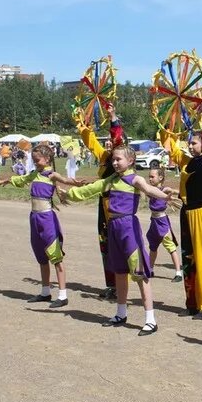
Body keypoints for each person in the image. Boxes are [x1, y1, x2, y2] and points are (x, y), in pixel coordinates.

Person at [64, 144, 172, 336]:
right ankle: (121, 313)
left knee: (140, 273)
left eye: (118, 159)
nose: (114, 162)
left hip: (128, 227)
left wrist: (165, 196)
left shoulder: (135, 178)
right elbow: (90, 189)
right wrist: (68, 193)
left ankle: (150, 319)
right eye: (113, 159)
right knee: (120, 272)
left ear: (130, 161)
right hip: (113, 228)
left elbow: (148, 189)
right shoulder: (111, 180)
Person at [0, 144, 84, 308]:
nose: (35, 163)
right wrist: (8, 180)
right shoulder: (34, 174)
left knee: (55, 256)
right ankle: (45, 292)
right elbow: (22, 179)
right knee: (41, 256)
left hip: (47, 219)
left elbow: (65, 180)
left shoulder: (51, 174)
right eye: (34, 160)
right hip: (34, 218)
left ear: (47, 159)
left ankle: (63, 295)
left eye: (37, 160)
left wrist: (77, 184)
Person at [162, 122, 202, 320]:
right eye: (191, 143)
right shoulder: (187, 161)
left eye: (195, 143)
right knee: (189, 259)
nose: (191, 145)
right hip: (187, 212)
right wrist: (167, 123)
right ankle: (193, 303)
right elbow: (170, 146)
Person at [75, 103, 124, 300]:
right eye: (108, 143)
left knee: (119, 246)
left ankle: (123, 284)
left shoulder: (119, 159)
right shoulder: (104, 157)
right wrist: (82, 123)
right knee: (105, 245)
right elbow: (90, 141)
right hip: (102, 207)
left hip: (117, 205)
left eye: (113, 143)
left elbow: (118, 138)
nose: (110, 145)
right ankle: (111, 285)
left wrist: (112, 117)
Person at [145, 167, 183, 283]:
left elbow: (175, 191)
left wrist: (183, 195)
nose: (150, 179)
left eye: (152, 177)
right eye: (149, 177)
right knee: (153, 247)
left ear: (160, 178)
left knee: (170, 247)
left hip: (162, 222)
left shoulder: (164, 189)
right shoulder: (150, 189)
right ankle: (150, 270)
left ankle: (178, 273)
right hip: (154, 222)